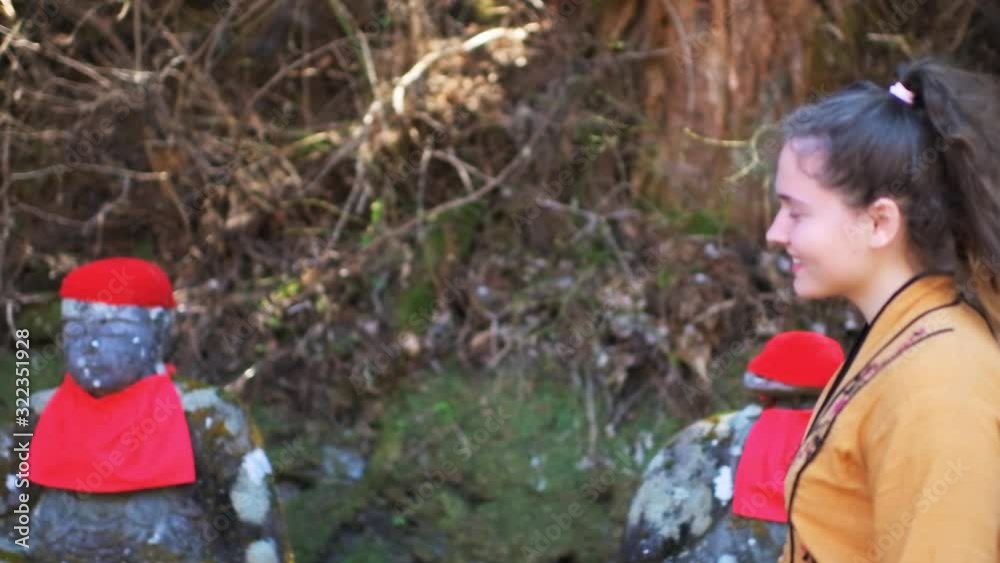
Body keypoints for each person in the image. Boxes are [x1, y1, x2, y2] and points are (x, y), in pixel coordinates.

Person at [765, 58, 1000, 563]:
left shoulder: (940, 385)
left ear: (877, 223)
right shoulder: (902, 339)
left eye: (796, 212)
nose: (775, 233)